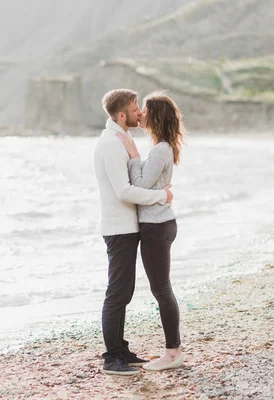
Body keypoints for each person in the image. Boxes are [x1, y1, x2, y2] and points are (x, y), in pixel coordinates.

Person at [93, 89, 173, 376]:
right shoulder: (111, 144)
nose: (140, 111)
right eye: (135, 107)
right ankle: (111, 357)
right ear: (122, 114)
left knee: (125, 290)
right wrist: (161, 197)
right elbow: (124, 191)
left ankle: (121, 349)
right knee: (117, 292)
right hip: (118, 228)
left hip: (129, 226)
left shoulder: (122, 140)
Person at [116, 90, 185, 371]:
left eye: (144, 108)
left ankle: (172, 353)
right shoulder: (162, 147)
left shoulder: (160, 149)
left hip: (157, 226)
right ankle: (173, 351)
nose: (140, 113)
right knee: (162, 288)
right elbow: (151, 185)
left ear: (155, 116)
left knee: (162, 289)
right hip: (158, 223)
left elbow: (142, 185)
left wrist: (132, 157)